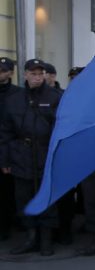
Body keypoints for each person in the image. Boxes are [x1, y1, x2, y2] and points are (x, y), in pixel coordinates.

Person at [2, 59, 61, 256]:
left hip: (46, 154)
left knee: (46, 198)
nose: (37, 77)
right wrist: (6, 160)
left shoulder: (55, 97)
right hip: (21, 156)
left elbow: (60, 128)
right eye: (33, 74)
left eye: (40, 73)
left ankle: (46, 240)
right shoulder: (15, 99)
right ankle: (30, 237)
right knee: (24, 199)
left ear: (45, 75)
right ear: (25, 75)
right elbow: (6, 132)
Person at [0, 57, 20, 243]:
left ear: (10, 73)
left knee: (8, 191)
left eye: (3, 70)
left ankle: (7, 225)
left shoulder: (17, 94)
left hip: (9, 147)